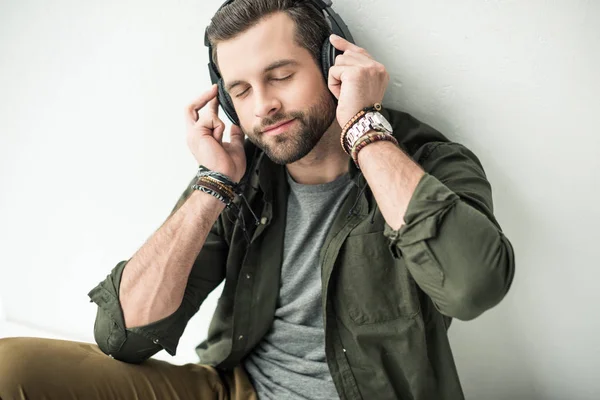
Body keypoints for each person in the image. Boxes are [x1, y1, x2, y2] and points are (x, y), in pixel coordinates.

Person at [0, 0, 515, 399]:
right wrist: (212, 183)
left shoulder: (425, 163)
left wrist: (363, 129)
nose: (263, 105)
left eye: (281, 76)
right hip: (234, 390)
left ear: (334, 65)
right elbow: (124, 336)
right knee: (12, 371)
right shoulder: (242, 176)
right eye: (240, 90)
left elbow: (473, 287)